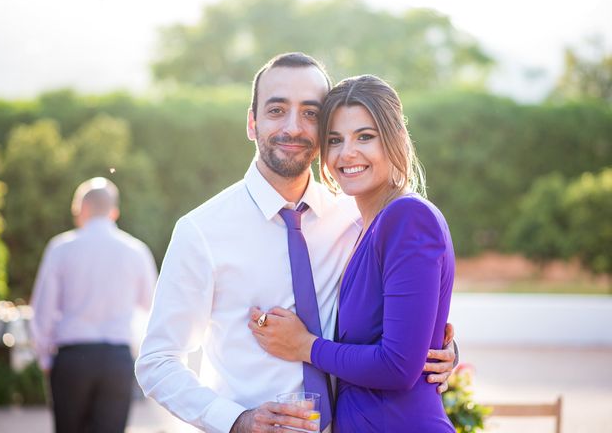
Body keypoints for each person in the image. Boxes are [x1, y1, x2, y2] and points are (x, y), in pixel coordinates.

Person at [135, 53, 456, 433]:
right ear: (252, 123)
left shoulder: (355, 219)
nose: (293, 126)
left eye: (310, 113)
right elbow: (157, 360)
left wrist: (439, 352)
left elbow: (399, 324)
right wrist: (237, 420)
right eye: (276, 110)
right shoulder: (202, 231)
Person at [249, 75, 456, 431]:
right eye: (334, 140)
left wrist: (305, 346)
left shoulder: (408, 218)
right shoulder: (359, 226)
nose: (347, 153)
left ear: (396, 138)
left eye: (365, 136)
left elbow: (397, 367)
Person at [29, 177, 158, 433]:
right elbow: (151, 308)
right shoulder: (136, 251)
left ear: (81, 209)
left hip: (71, 359)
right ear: (114, 212)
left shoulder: (60, 249)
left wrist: (45, 358)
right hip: (117, 360)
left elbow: (41, 312)